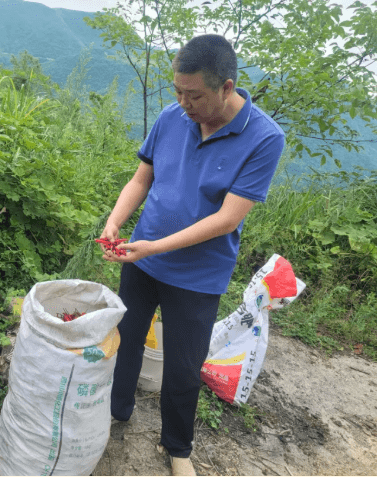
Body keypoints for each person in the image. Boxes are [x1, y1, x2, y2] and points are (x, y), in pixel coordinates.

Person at [100, 34, 285, 476]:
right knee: (124, 341)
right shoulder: (172, 116)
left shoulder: (264, 137)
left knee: (184, 368)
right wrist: (115, 220)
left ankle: (178, 446)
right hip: (140, 260)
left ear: (227, 86)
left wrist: (156, 246)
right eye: (178, 92)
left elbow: (226, 219)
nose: (184, 103)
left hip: (199, 274)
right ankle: (115, 411)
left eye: (195, 95)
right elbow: (141, 179)